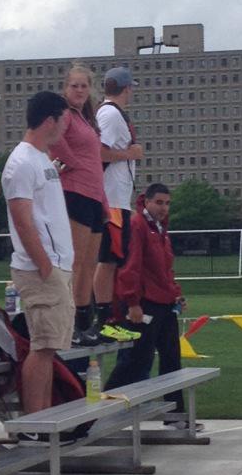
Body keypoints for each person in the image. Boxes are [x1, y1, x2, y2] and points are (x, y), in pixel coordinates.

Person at [105, 183, 202, 431]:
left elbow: (165, 267)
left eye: (167, 203)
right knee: (137, 360)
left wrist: (176, 294)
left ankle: (176, 416)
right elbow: (131, 267)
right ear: (146, 201)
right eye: (159, 202)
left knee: (171, 358)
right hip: (145, 304)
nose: (164, 208)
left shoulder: (160, 228)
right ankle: (101, 408)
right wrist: (133, 302)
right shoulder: (138, 225)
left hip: (165, 303)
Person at [1, 91, 75, 413]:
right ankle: (35, 424)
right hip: (40, 268)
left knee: (49, 348)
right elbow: (22, 217)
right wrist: (44, 264)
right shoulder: (21, 162)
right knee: (42, 346)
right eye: (63, 121)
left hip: (56, 264)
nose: (64, 129)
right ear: (49, 120)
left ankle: (45, 418)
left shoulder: (41, 158)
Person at [49, 63, 108, 346]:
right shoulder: (66, 114)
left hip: (95, 196)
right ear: (66, 88)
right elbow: (55, 140)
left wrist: (104, 203)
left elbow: (97, 162)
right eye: (74, 85)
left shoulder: (87, 119)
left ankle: (84, 320)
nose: (80, 90)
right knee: (73, 261)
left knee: (88, 263)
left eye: (84, 85)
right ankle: (67, 322)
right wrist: (74, 164)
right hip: (75, 192)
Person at [92, 65, 144, 337]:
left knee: (113, 259)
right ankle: (103, 317)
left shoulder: (109, 113)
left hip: (116, 198)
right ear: (126, 89)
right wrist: (130, 153)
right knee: (108, 259)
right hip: (112, 199)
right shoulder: (110, 114)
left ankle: (110, 313)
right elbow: (100, 153)